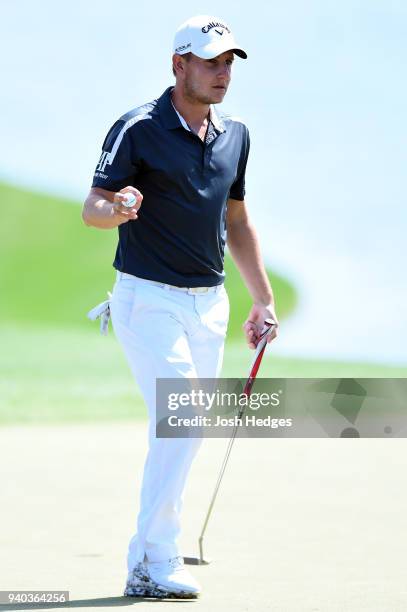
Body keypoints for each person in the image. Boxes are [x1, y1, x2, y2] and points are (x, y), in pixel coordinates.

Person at [82, 14, 279, 599]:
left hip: (209, 303)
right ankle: (155, 558)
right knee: (183, 419)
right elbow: (92, 204)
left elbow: (236, 220)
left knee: (187, 428)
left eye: (228, 64)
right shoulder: (138, 128)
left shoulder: (236, 134)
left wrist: (262, 300)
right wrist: (116, 207)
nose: (222, 74)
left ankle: (150, 555)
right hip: (146, 297)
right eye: (211, 62)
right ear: (178, 65)